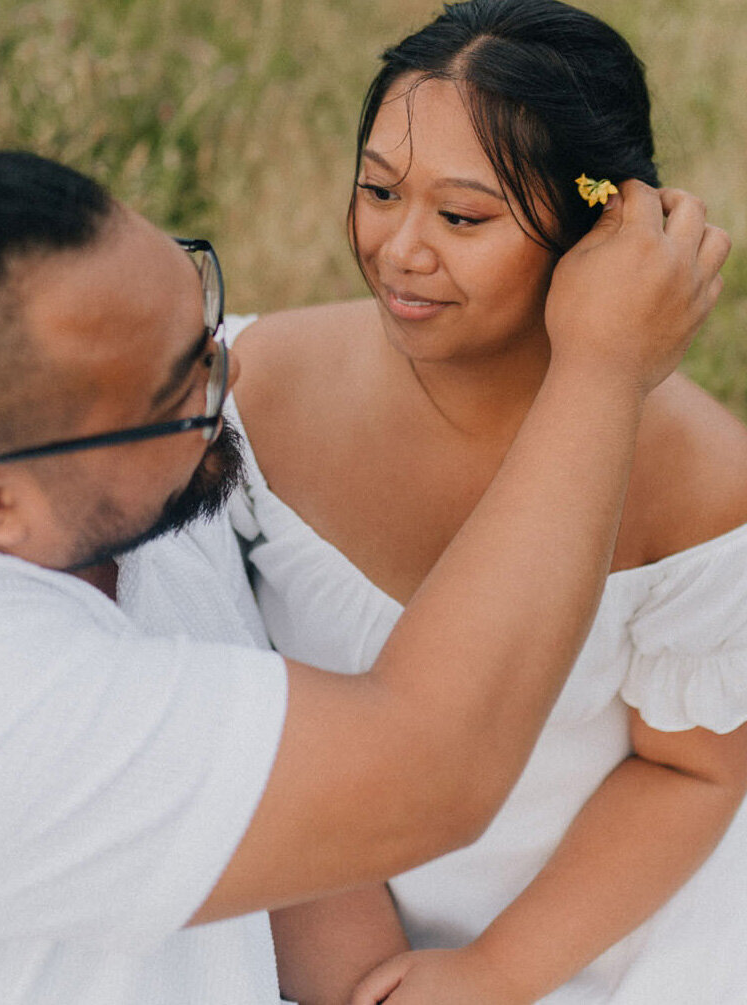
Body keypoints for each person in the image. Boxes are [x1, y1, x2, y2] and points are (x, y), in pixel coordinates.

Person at [0, 141, 724, 1005]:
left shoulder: (118, 482)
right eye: (174, 392)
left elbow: (268, 821)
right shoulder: (20, 706)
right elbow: (432, 770)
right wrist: (601, 369)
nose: (227, 376)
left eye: (203, 312)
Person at [225, 1, 747, 1002]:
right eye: (377, 190)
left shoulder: (697, 477)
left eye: (462, 217)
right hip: (293, 892)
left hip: (591, 929)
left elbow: (695, 773)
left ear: (601, 225)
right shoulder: (258, 383)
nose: (401, 249)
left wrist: (497, 971)